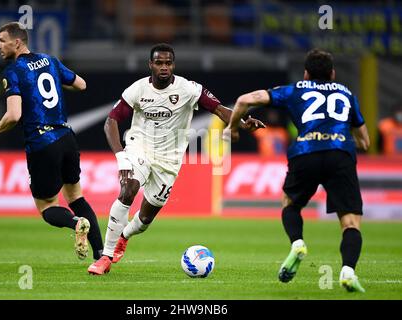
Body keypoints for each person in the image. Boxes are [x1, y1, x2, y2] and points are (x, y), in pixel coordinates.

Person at [88, 43, 265, 275]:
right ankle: (106, 256)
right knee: (127, 190)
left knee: (144, 219)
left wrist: (242, 123)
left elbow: (219, 109)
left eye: (168, 63)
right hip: (138, 149)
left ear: (174, 64)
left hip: (169, 161)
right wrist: (122, 157)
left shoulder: (189, 90)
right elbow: (111, 121)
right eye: (159, 63)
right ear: (150, 64)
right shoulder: (137, 90)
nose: (164, 67)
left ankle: (124, 236)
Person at [224, 49, 370, 293]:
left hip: (306, 153)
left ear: (305, 73)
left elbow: (243, 100)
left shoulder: (295, 89)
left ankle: (298, 243)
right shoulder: (347, 94)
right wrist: (336, 137)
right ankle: (347, 271)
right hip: (339, 155)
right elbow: (364, 142)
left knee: (290, 204)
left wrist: (234, 129)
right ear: (332, 74)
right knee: (351, 222)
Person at [0, 22, 104, 263]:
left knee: (47, 207)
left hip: (42, 142)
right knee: (76, 197)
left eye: (2, 40)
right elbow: (81, 84)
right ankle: (100, 255)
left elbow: (14, 115)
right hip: (67, 137)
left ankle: (76, 223)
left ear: (17, 42)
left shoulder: (13, 71)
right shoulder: (50, 60)